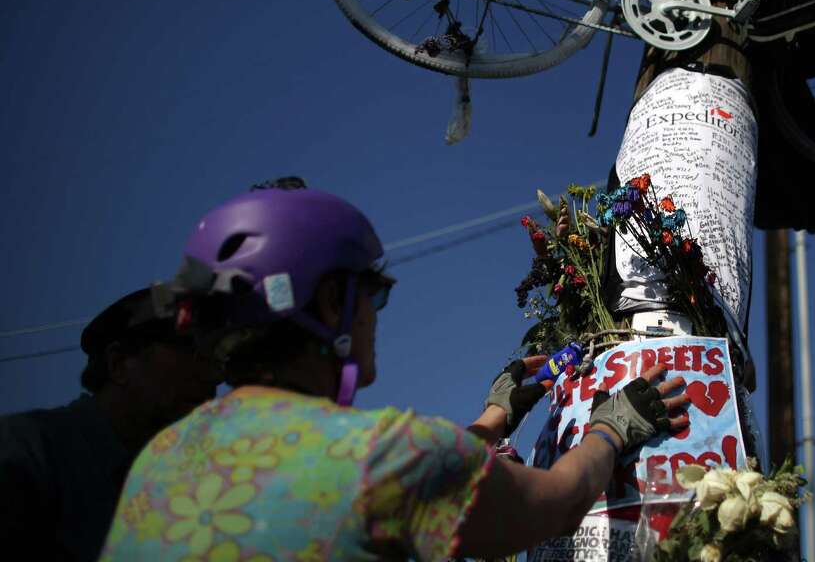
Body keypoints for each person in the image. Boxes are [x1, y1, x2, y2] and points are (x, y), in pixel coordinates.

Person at [101, 183, 690, 560]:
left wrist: (495, 414)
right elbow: (557, 504)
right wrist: (612, 428)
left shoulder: (163, 457)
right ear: (331, 302)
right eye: (372, 296)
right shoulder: (389, 453)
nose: (375, 318)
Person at [0, 287, 221, 561]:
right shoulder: (26, 450)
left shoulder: (192, 497)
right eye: (191, 349)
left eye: (216, 356)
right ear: (118, 364)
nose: (214, 375)